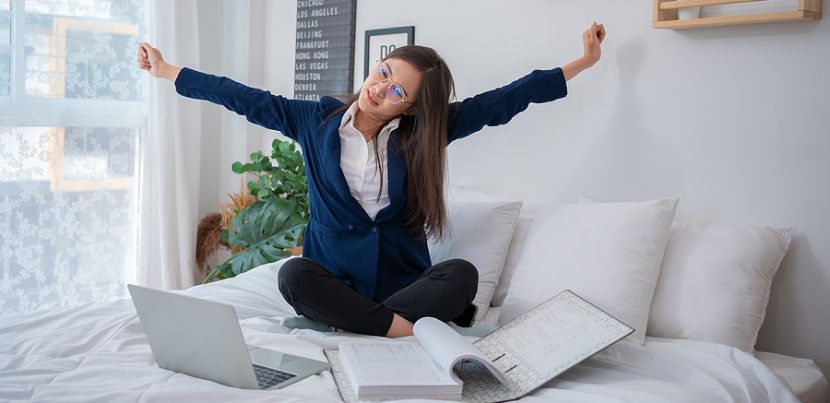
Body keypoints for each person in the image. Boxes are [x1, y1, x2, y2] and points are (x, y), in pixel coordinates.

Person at [138, 22, 606, 338]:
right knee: (293, 273)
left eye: (397, 90)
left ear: (411, 107)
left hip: (403, 287)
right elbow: (241, 97)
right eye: (383, 73)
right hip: (334, 283)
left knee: (461, 274)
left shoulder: (426, 133)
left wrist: (582, 62)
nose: (380, 89)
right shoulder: (313, 121)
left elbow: (505, 100)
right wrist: (166, 70)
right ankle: (400, 332)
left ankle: (369, 326)